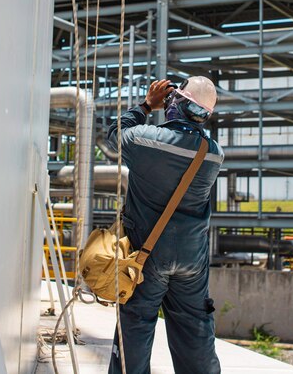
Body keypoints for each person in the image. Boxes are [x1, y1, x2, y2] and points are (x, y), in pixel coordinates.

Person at [107, 77, 223, 374]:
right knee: (195, 328)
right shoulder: (213, 153)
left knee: (135, 325)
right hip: (192, 258)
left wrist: (146, 105)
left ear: (176, 103)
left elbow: (113, 136)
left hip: (147, 253)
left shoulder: (145, 140)